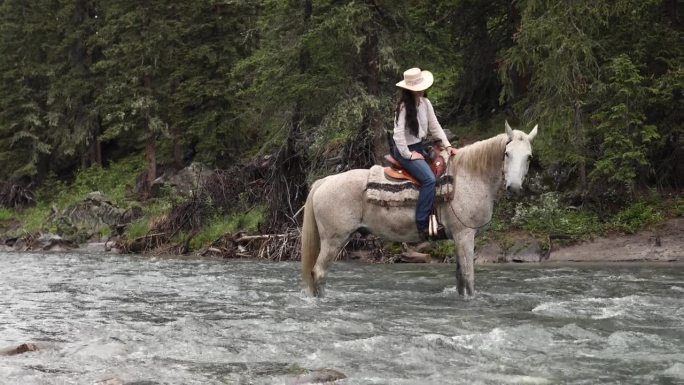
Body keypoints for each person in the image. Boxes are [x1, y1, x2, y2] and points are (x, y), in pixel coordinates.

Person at [392, 67, 457, 240]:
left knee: (444, 167)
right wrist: (408, 154)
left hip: (419, 147)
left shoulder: (425, 103)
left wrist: (447, 145)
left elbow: (435, 126)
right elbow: (398, 135)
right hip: (404, 150)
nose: (421, 89)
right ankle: (421, 225)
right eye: (417, 87)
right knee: (429, 180)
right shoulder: (403, 107)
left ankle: (439, 218)